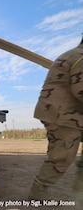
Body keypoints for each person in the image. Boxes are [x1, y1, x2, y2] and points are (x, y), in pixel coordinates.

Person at [28, 35, 83, 204]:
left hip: (60, 114)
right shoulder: (80, 57)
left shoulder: (72, 54)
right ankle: (37, 196)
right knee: (61, 157)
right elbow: (80, 90)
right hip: (65, 116)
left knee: (60, 155)